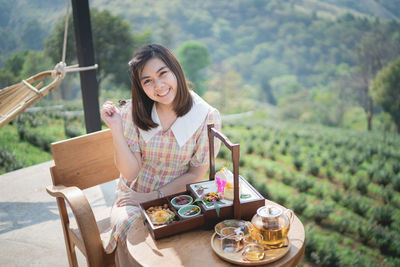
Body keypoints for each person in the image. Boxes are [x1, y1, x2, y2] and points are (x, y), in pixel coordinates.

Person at [100, 44, 221, 266]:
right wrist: (116, 129)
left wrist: (154, 196)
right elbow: (130, 172)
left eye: (162, 73)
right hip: (133, 197)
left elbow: (197, 173)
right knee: (136, 238)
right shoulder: (133, 112)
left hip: (179, 197)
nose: (158, 86)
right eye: (147, 81)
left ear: (175, 70)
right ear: (141, 86)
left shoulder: (205, 116)